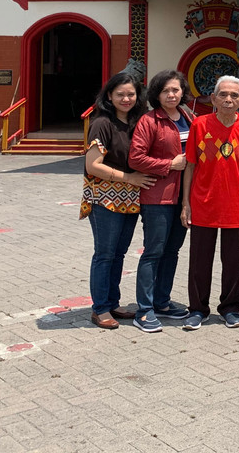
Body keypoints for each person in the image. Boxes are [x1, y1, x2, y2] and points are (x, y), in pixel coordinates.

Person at [179, 76, 239, 331]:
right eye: (223, 95)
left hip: (236, 203)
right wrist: (185, 203)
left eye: (234, 96)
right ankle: (197, 309)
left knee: (233, 261)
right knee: (200, 260)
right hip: (203, 202)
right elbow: (190, 166)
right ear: (213, 99)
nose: (228, 99)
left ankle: (230, 308)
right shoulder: (200, 125)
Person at [80, 72, 155, 330]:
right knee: (104, 254)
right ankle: (99, 308)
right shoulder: (102, 122)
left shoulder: (136, 122)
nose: (126, 98)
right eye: (120, 94)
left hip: (129, 198)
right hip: (105, 199)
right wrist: (130, 178)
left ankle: (112, 302)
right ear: (109, 96)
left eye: (131, 94)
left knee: (118, 254)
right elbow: (92, 165)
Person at [127, 70, 194, 332]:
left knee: (172, 251)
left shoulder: (188, 117)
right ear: (156, 94)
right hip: (158, 196)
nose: (171, 94)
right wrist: (169, 164)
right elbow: (136, 158)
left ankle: (162, 302)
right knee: (153, 251)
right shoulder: (149, 120)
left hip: (184, 196)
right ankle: (143, 310)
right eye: (166, 90)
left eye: (176, 90)